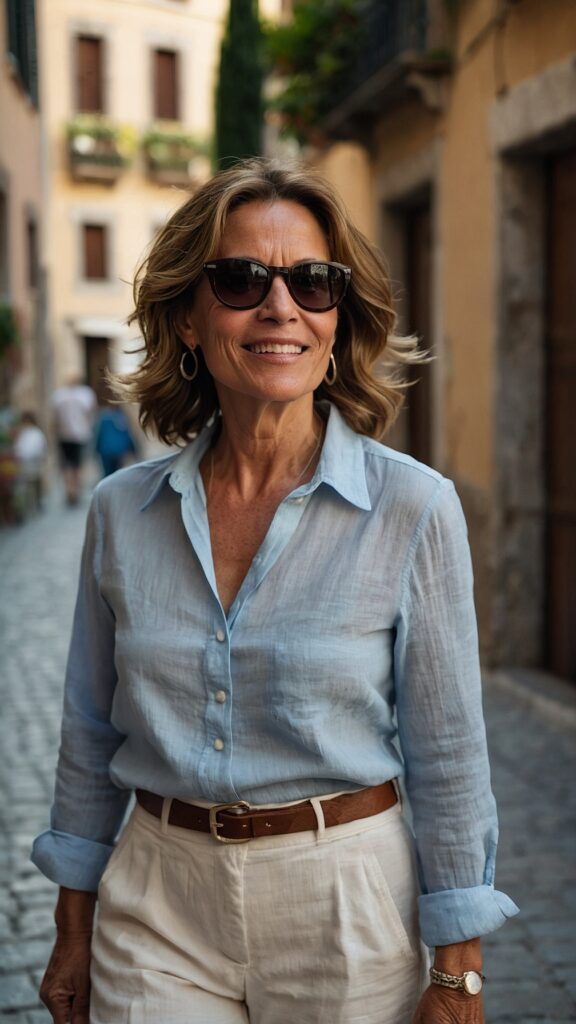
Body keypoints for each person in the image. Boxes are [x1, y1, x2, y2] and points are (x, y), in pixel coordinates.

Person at [32, 160, 518, 1024]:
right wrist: (74, 925)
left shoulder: (413, 507)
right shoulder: (120, 512)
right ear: (188, 315)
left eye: (312, 282)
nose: (279, 306)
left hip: (345, 904)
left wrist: (459, 970)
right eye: (240, 278)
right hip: (156, 900)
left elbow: (448, 751)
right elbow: (88, 728)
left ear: (338, 319)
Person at [51, 375, 97, 504]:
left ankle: (70, 490)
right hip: (81, 435)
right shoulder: (86, 394)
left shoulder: (59, 396)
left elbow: (55, 417)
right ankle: (75, 490)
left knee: (67, 465)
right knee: (77, 465)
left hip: (64, 435)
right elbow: (91, 412)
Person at [13, 410, 48, 514]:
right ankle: (25, 506)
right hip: (22, 464)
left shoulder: (36, 433)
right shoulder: (23, 434)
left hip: (32, 464)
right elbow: (18, 448)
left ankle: (36, 502)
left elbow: (38, 450)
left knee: (32, 481)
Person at [94, 403, 137, 478]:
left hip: (105, 450)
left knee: (107, 472)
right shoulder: (122, 418)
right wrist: (134, 450)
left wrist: (96, 448)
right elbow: (127, 435)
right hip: (118, 450)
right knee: (116, 472)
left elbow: (99, 433)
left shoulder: (105, 417)